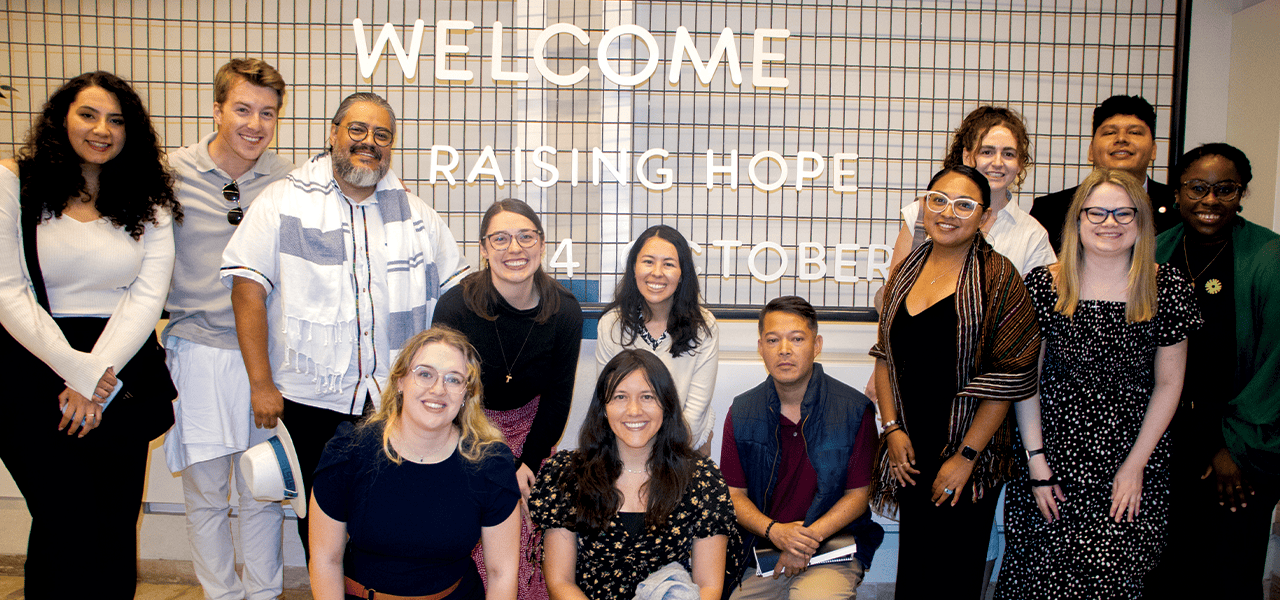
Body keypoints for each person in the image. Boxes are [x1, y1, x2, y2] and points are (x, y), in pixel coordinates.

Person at [222, 91, 466, 553]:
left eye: (381, 135)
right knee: (319, 520)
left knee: (392, 515)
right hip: (310, 397)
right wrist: (260, 383)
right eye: (357, 129)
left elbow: (453, 298)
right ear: (333, 133)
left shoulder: (416, 216)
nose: (368, 142)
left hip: (395, 399)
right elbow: (247, 291)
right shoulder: (282, 202)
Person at [0, 71, 180, 599]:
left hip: (123, 375)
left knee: (113, 523)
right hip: (33, 372)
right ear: (61, 118)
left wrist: (96, 377)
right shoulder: (15, 182)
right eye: (88, 114)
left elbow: (146, 297)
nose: (102, 129)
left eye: (117, 120)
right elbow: (9, 292)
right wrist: (76, 371)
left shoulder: (150, 196)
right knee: (65, 520)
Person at [996, 169, 1200, 599]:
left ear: (1142, 222)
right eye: (1098, 213)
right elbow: (1027, 380)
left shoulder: (1168, 287)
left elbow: (1169, 384)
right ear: (1077, 220)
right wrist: (1036, 462)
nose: (1111, 223)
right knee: (1038, 580)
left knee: (1112, 581)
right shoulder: (1044, 284)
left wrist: (1134, 466)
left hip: (1130, 460)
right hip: (1052, 459)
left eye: (1125, 214)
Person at [871, 165, 1041, 599]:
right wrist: (891, 429)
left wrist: (965, 456)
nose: (948, 212)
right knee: (915, 571)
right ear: (925, 206)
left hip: (970, 450)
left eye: (965, 205)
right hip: (909, 445)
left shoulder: (999, 278)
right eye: (938, 199)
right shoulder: (908, 268)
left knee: (954, 574)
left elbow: (1008, 378)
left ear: (983, 217)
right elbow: (886, 357)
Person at [160, 58, 295, 600]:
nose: (254, 125)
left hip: (265, 357)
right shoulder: (171, 174)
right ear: (217, 110)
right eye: (242, 109)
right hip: (198, 352)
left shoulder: (289, 182)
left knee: (263, 488)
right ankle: (221, 595)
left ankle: (264, 595)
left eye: (267, 113)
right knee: (208, 495)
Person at [1143, 144, 1280, 599]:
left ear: (1241, 194)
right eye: (1198, 188)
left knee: (1227, 573)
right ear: (1178, 192)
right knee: (1165, 570)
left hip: (1240, 453)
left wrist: (1230, 448)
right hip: (1168, 444)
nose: (1210, 200)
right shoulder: (1155, 252)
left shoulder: (1268, 256)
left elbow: (1274, 367)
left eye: (1225, 189)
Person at [433, 199, 584, 600]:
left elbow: (557, 399)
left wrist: (527, 464)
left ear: (542, 243)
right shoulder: (455, 305)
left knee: (531, 516)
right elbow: (444, 394)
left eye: (525, 237)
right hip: (466, 431)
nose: (513, 248)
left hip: (533, 433)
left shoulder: (565, 311)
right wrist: (485, 457)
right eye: (500, 239)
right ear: (483, 248)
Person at [309, 326, 521, 600]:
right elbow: (325, 560)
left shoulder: (490, 464)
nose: (438, 389)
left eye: (454, 380)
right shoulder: (349, 452)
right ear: (400, 381)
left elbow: (501, 573)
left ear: (467, 394)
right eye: (424, 374)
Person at [531, 349, 736, 600]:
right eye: (620, 397)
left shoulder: (702, 479)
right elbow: (560, 582)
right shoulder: (567, 475)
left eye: (647, 396)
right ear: (603, 408)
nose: (634, 410)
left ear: (666, 405)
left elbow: (708, 587)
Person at [720, 296, 883, 600]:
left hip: (832, 548)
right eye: (773, 339)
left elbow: (858, 497)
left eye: (797, 338)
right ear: (760, 348)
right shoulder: (742, 411)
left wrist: (803, 543)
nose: (784, 349)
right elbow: (734, 495)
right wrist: (776, 533)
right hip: (766, 549)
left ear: (816, 344)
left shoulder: (853, 409)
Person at [887, 106, 1055, 281]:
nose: (998, 162)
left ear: (1020, 163)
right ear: (966, 157)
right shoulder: (923, 212)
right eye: (987, 152)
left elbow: (1032, 304)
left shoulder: (1033, 235)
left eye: (1008, 154)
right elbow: (892, 295)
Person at [596, 224, 719, 454]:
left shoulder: (704, 326)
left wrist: (658, 458)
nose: (657, 272)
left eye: (669, 264)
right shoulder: (611, 324)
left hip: (683, 447)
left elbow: (695, 410)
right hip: (626, 446)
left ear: (683, 273)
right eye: (648, 261)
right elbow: (608, 399)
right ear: (633, 267)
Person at [1030, 95, 1180, 253]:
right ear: (1091, 152)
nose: (1121, 139)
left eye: (1134, 132)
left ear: (1154, 150)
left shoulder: (1178, 207)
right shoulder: (1050, 210)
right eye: (1109, 133)